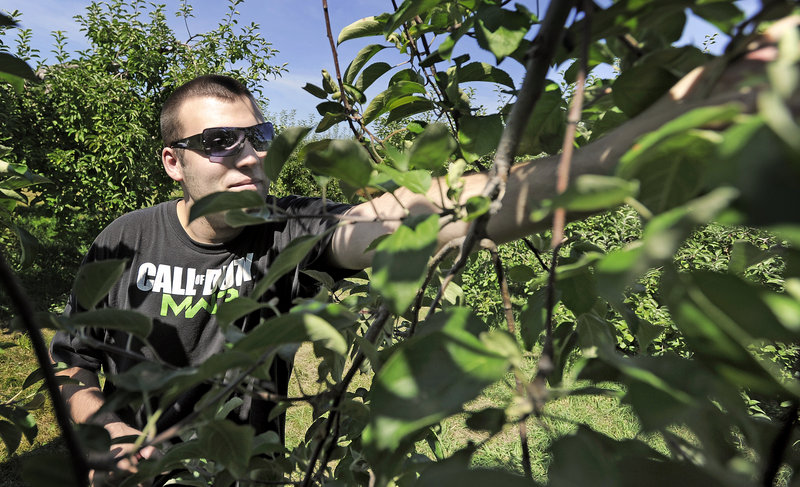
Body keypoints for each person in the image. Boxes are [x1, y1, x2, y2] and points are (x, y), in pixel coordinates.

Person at [49, 17, 790, 481]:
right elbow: (71, 360)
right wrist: (106, 430)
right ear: (173, 160)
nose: (248, 156)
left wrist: (641, 139)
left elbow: (434, 210)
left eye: (259, 137)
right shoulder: (125, 238)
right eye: (218, 142)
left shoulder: (292, 235)